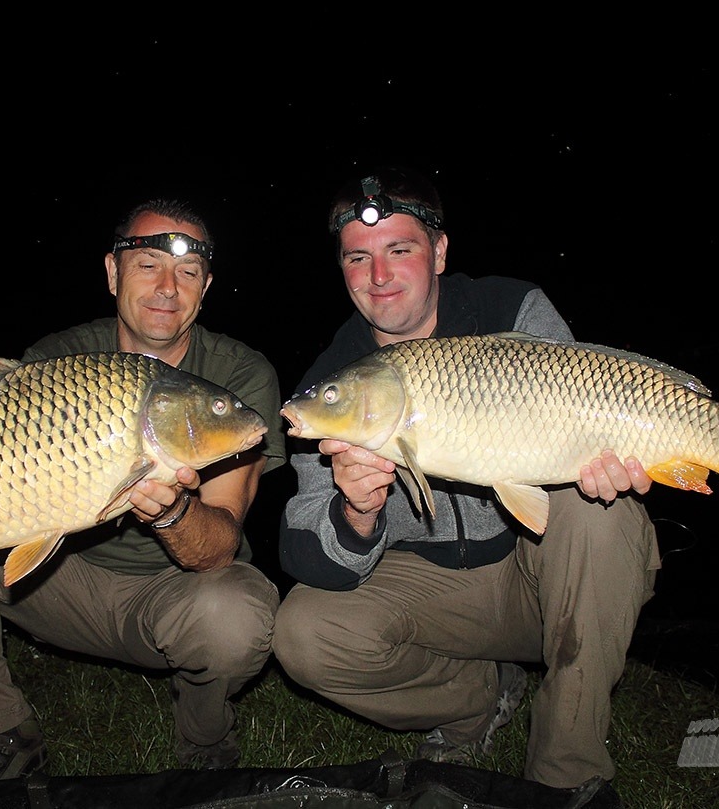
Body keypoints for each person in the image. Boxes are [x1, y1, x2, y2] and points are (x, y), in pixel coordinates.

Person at [0, 198, 287, 778]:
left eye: (187, 273)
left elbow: (218, 548)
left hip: (171, 596)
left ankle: (204, 740)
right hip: (56, 584)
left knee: (237, 614)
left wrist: (170, 512)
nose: (167, 287)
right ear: (112, 273)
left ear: (205, 288)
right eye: (147, 265)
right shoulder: (57, 359)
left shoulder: (239, 375)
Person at [271, 166, 661, 790]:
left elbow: (594, 396)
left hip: (542, 578)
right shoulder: (332, 380)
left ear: (440, 251)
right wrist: (357, 513)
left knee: (599, 511)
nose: (379, 276)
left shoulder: (511, 308)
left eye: (400, 250)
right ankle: (477, 702)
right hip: (436, 600)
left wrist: (604, 462)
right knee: (302, 632)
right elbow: (301, 553)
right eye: (357, 258)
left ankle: (566, 771)